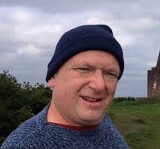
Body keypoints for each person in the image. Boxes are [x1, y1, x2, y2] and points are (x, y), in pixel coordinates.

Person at [1, 25, 129, 148]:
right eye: (84, 69)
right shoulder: (24, 144)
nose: (100, 85)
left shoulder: (103, 121)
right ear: (53, 77)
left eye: (110, 74)